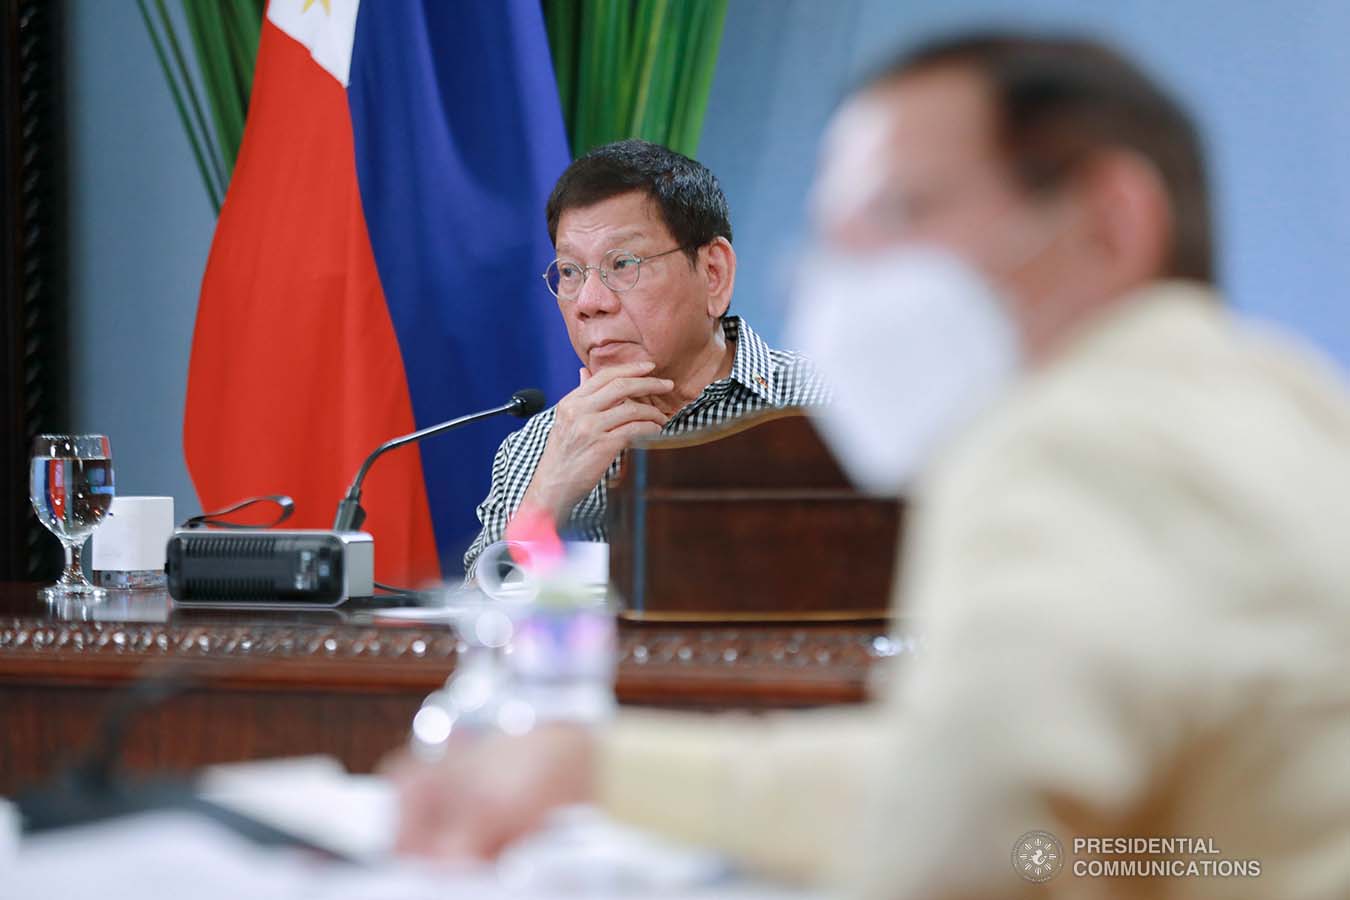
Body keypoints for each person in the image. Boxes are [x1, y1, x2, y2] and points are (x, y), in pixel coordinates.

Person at [396, 33, 1350, 898]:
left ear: (1110, 222)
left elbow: (962, 843)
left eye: (898, 212)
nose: (841, 275)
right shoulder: (1295, 397)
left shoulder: (1063, 438)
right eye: (837, 230)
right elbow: (962, 771)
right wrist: (588, 764)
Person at [462, 140, 829, 575]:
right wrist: (548, 493)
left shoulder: (829, 408)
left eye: (622, 264)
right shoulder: (534, 448)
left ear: (714, 274)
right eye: (569, 272)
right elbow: (476, 632)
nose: (589, 302)